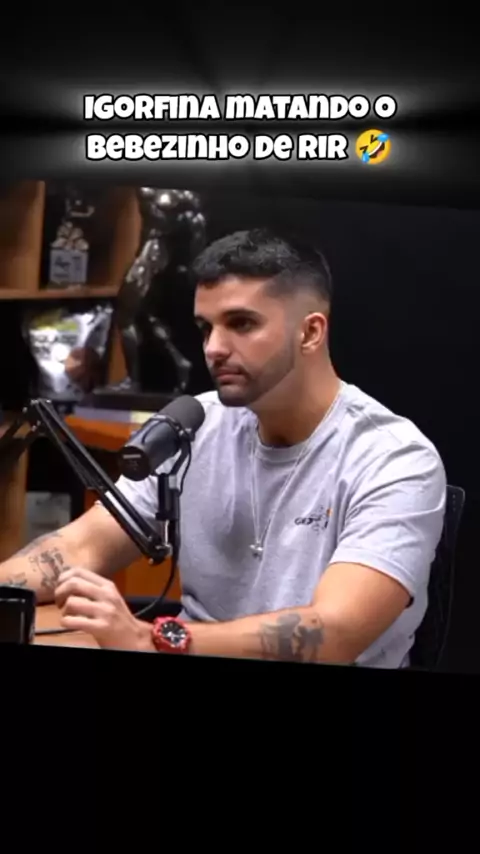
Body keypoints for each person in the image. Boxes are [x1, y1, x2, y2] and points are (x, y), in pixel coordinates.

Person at [0, 228, 447, 667]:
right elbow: (81, 546)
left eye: (241, 324)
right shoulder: (196, 425)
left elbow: (334, 634)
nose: (213, 348)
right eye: (205, 328)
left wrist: (153, 638)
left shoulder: (394, 459)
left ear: (310, 332)